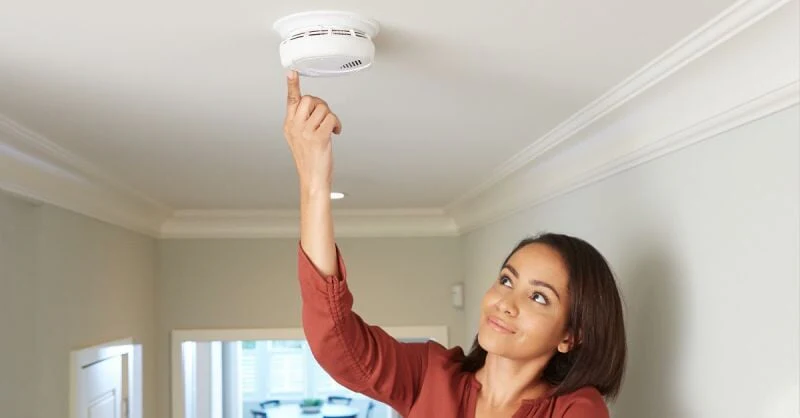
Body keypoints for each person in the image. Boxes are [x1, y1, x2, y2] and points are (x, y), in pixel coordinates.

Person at [282, 70, 627, 418]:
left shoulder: (577, 409)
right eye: (507, 280)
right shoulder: (430, 376)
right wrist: (313, 181)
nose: (506, 303)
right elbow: (334, 336)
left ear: (570, 336)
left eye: (539, 296)